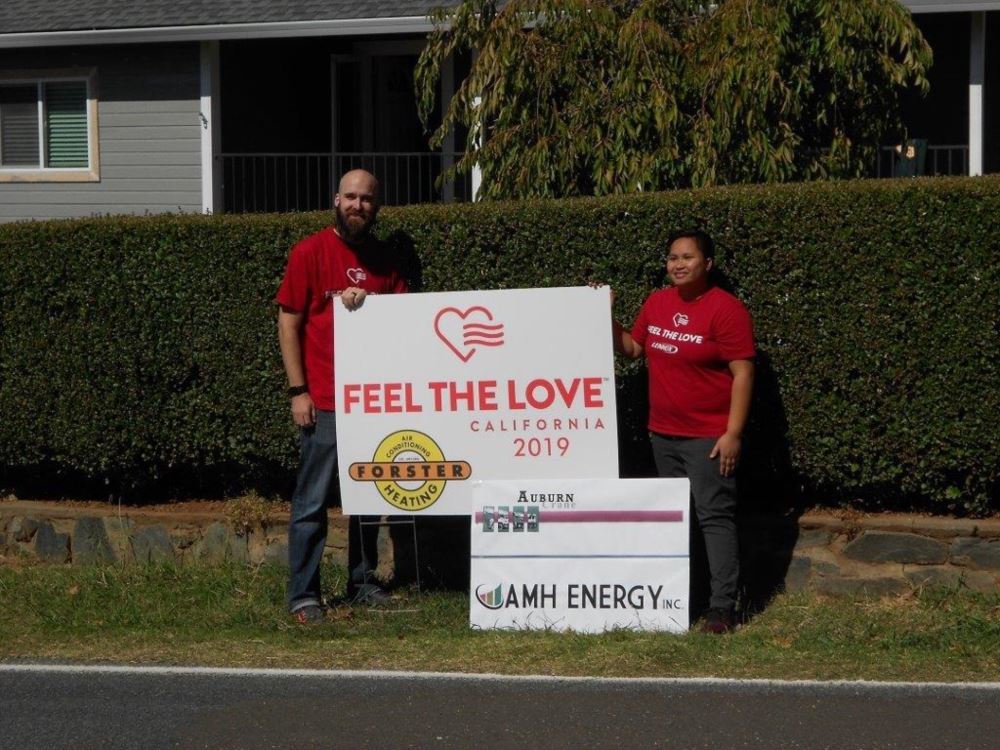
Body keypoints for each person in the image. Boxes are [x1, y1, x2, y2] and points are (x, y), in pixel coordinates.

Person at [275, 169, 408, 624]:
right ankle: (303, 594)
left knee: (369, 499)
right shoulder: (309, 252)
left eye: (366, 199)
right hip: (325, 400)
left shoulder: (386, 262)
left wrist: (371, 305)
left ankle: (363, 582)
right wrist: (299, 391)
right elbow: (288, 322)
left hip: (372, 403)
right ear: (336, 199)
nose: (358, 205)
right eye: (350, 197)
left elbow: (404, 322)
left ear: (377, 206)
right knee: (312, 501)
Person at [611, 230, 755, 634]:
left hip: (709, 438)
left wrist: (733, 433)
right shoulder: (657, 303)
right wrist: (602, 314)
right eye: (672, 257)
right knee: (676, 521)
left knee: (713, 518)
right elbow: (633, 349)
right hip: (663, 435)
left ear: (707, 264)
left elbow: (743, 373)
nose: (677, 264)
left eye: (687, 257)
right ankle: (677, 605)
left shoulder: (726, 310)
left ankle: (722, 609)